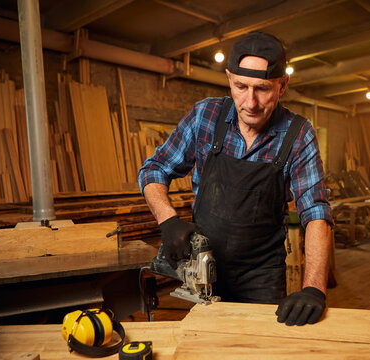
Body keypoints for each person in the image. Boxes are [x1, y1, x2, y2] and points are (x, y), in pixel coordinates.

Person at [138, 32, 332, 326]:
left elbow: (315, 212)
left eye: (263, 89)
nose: (250, 102)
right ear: (229, 78)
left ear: (282, 85)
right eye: (240, 86)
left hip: (262, 276)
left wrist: (314, 289)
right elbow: (155, 168)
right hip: (204, 268)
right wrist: (168, 221)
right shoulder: (205, 116)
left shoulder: (298, 135)